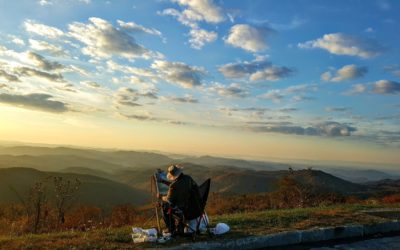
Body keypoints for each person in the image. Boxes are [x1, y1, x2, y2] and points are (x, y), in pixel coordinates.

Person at [159, 165, 202, 235]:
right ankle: (180, 226)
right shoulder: (188, 178)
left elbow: (169, 200)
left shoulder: (173, 186)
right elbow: (181, 185)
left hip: (183, 209)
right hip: (195, 206)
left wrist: (161, 197)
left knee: (164, 205)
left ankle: (171, 228)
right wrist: (165, 182)